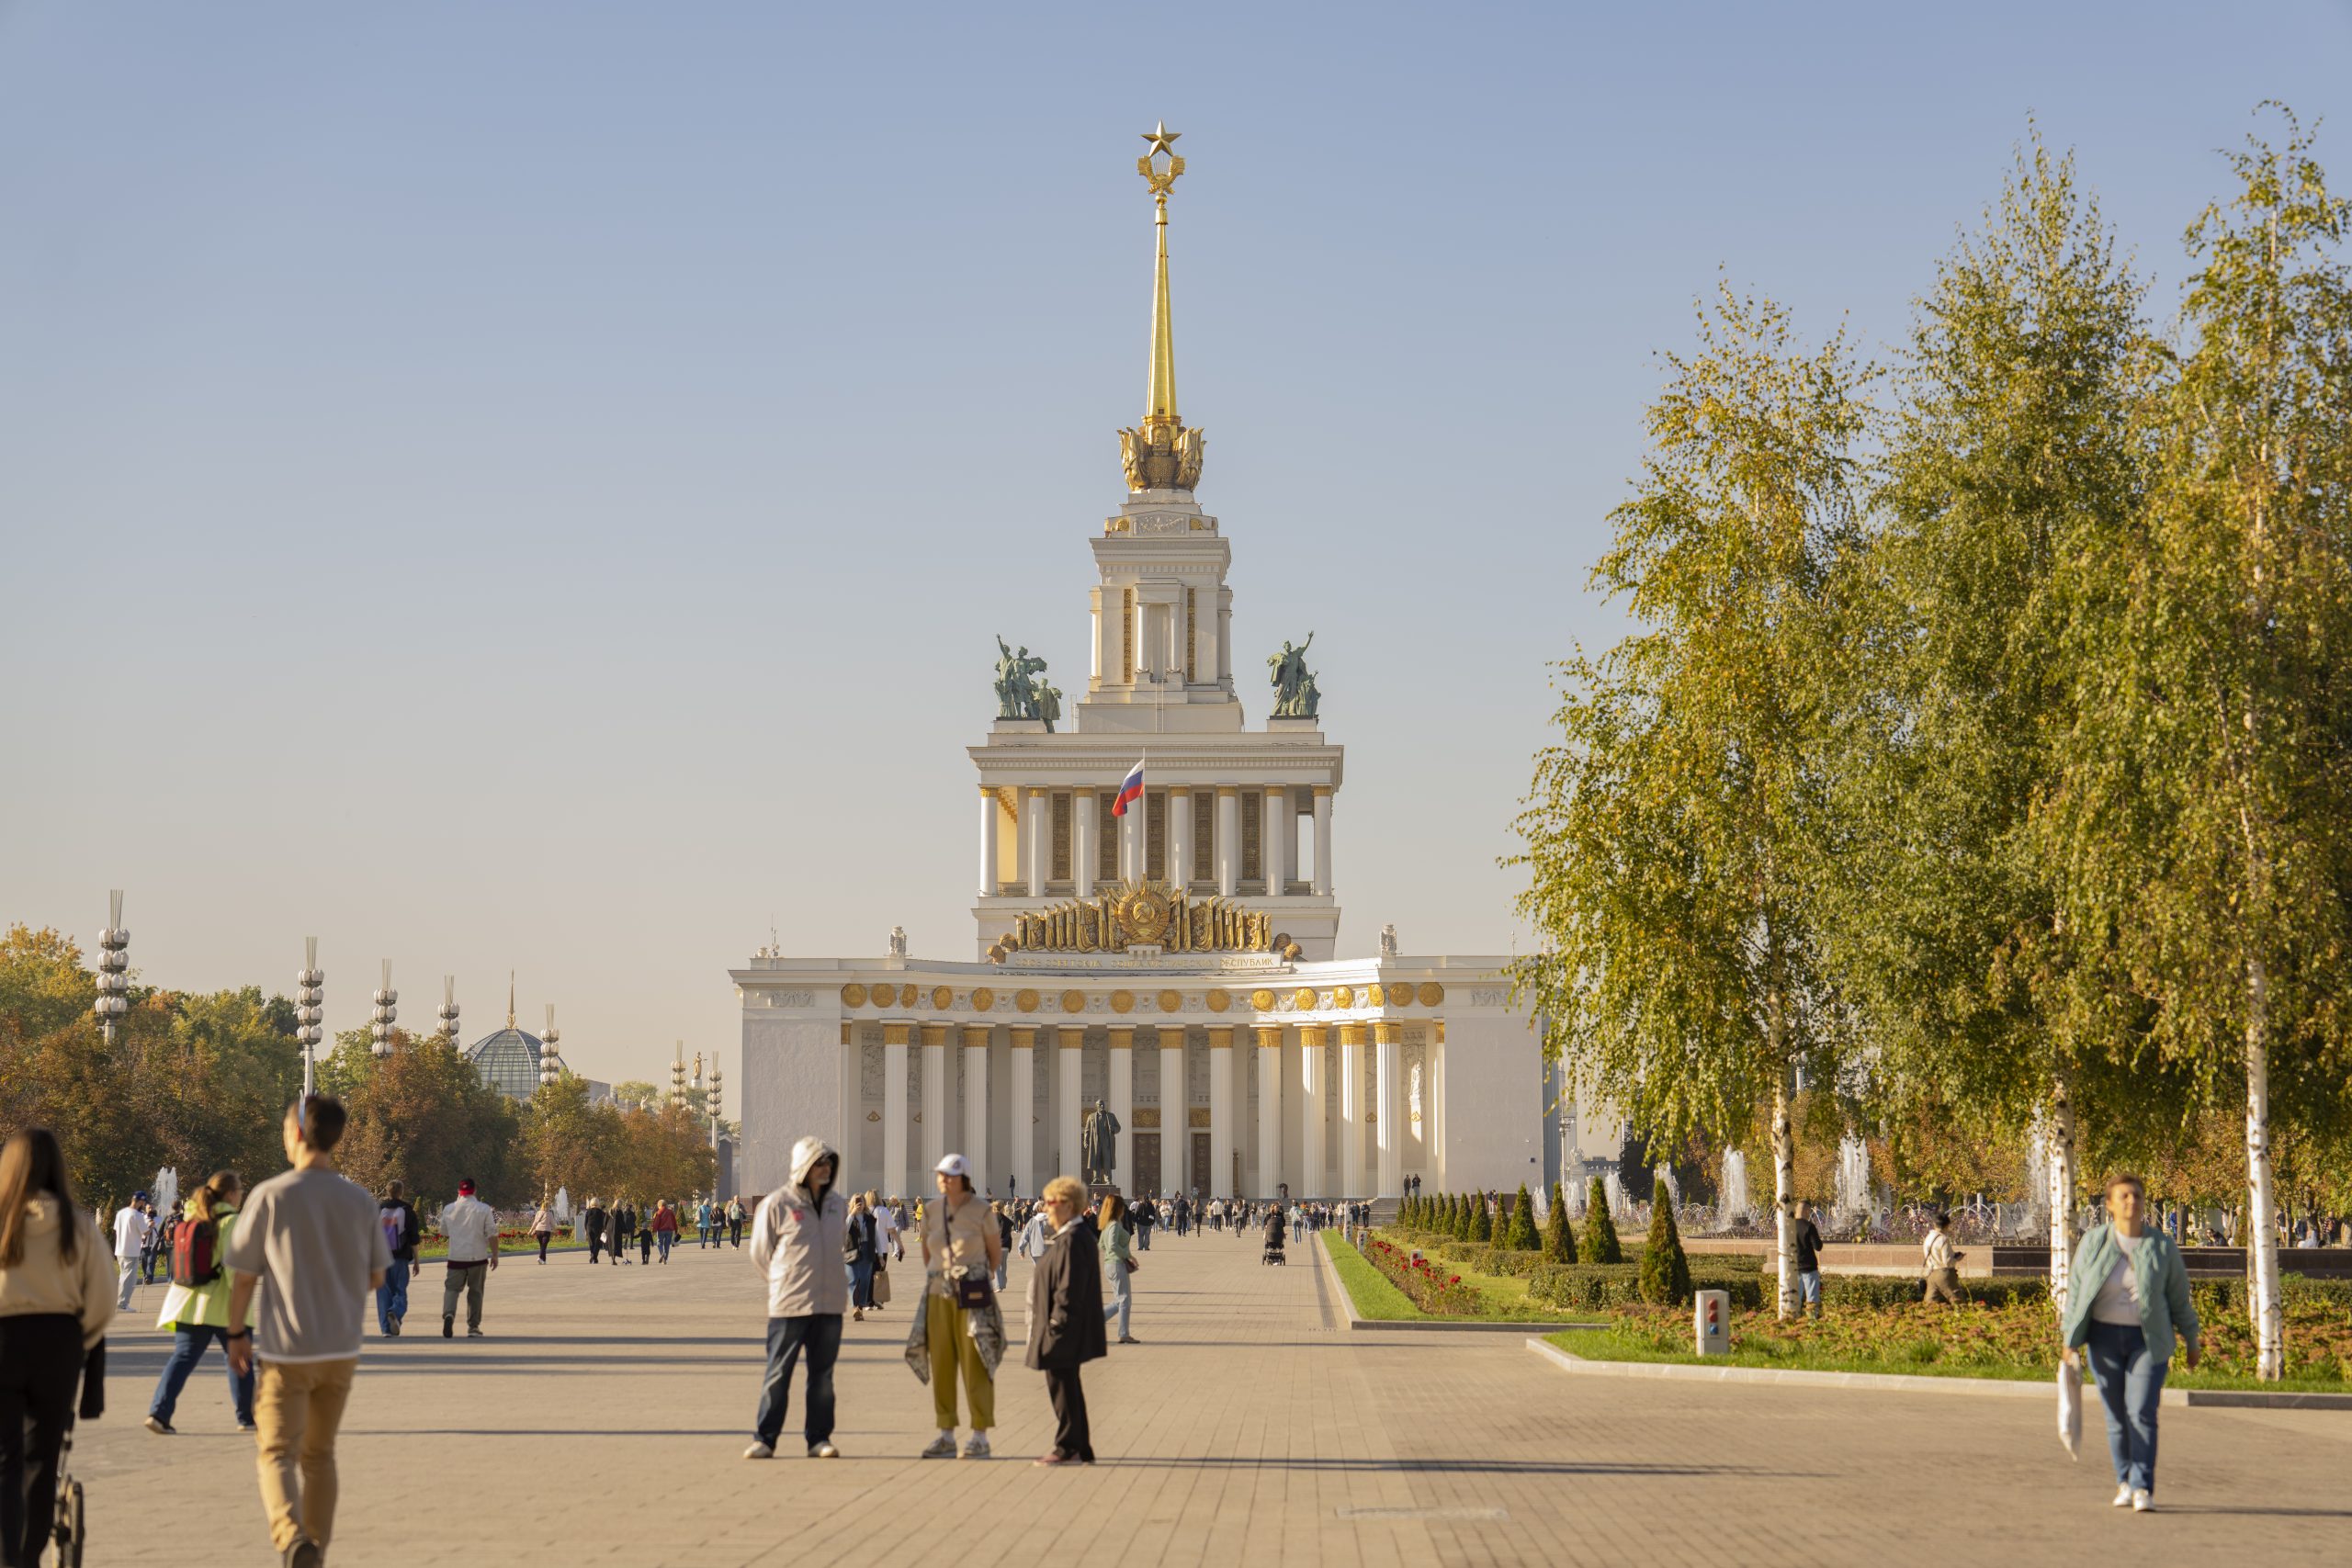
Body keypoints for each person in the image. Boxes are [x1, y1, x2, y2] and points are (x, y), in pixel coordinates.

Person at [224, 1094, 392, 1568]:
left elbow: (243, 1276)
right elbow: (377, 1276)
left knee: (276, 1450)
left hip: (287, 1351)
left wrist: (236, 1333)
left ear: (296, 1133)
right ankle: (315, 1548)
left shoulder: (271, 1195)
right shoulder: (359, 1199)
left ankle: (292, 1538)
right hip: (341, 1349)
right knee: (320, 1455)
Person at [0, 1129, 115, 1568]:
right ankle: (29, 1556)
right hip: (57, 1344)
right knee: (42, 1459)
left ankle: (8, 1556)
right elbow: (102, 1296)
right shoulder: (77, 1225)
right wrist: (79, 1340)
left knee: (5, 1461)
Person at [2061, 1173, 2199, 1513]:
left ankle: (2141, 1487)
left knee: (2141, 1412)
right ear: (2109, 1204)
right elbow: (2076, 1292)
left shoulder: (2161, 1246)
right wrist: (2070, 1340)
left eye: (2136, 1195)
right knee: (2116, 1417)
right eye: (2123, 1196)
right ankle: (2124, 1481)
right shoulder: (2094, 1242)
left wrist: (2191, 1338)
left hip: (2147, 1341)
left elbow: (2179, 1297)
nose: (2131, 1201)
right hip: (2103, 1338)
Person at [743, 1138, 848, 1460]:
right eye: (819, 1163)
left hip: (829, 1306)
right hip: (789, 1305)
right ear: (803, 1166)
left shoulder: (837, 1205)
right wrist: (782, 1283)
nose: (826, 1169)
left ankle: (819, 1439)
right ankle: (765, 1439)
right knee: (778, 1374)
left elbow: (838, 1245)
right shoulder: (778, 1204)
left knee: (822, 1379)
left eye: (829, 1163)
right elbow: (760, 1253)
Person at [146, 1169, 256, 1435]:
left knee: (182, 1358)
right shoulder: (232, 1222)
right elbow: (235, 1272)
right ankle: (246, 1418)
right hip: (223, 1306)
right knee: (240, 1360)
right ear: (230, 1194)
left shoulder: (192, 1218)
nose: (241, 1196)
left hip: (187, 1302)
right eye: (240, 1191)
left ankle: (159, 1413)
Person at [917, 1155, 1003, 1459]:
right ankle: (946, 1434)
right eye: (941, 1175)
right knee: (941, 1363)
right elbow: (927, 1252)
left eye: (950, 1176)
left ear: (963, 1179)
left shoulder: (981, 1210)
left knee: (975, 1361)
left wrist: (975, 1275)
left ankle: (980, 1435)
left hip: (973, 1296)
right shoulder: (931, 1210)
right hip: (938, 1295)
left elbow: (995, 1254)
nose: (943, 1180)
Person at [1025, 1175, 1105, 1466]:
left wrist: (1056, 1326)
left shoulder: (1073, 1240)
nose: (1046, 1208)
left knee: (1063, 1388)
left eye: (1051, 1202)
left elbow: (1069, 1290)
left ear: (1069, 1206)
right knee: (1068, 1386)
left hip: (1063, 1329)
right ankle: (1080, 1447)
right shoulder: (1072, 1236)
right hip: (1065, 1327)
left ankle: (1067, 1447)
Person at [438, 1178, 500, 1339]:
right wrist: (495, 1255)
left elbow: (443, 1231)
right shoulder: (483, 1209)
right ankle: (473, 1326)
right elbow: (492, 1233)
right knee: (475, 1292)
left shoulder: (449, 1208)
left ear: (459, 1191)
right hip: (477, 1257)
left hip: (456, 1257)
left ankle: (449, 1314)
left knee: (452, 1289)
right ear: (475, 1190)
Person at [375, 1181, 420, 1337]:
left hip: (381, 1258)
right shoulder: (407, 1210)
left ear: (388, 1192)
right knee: (400, 1291)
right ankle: (395, 1311)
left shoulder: (379, 1209)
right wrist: (417, 1261)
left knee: (383, 1294)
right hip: (400, 1258)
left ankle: (386, 1329)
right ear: (401, 1192)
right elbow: (414, 1239)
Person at [112, 1190, 152, 1310]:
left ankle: (121, 1301)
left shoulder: (121, 1213)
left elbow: (116, 1229)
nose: (144, 1204)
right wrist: (151, 1226)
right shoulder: (137, 1215)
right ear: (140, 1201)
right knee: (129, 1278)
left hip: (120, 1249)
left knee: (124, 1276)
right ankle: (122, 1303)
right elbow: (146, 1232)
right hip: (131, 1250)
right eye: (143, 1202)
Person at [844, 1193, 879, 1322]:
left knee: (864, 1281)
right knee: (853, 1280)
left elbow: (875, 1237)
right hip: (851, 1250)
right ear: (852, 1203)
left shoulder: (870, 1218)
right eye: (856, 1201)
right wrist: (852, 1213)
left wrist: (880, 1254)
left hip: (867, 1251)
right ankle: (855, 1308)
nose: (859, 1204)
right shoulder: (849, 1217)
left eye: (861, 1202)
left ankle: (860, 1308)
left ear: (865, 1203)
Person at [1791, 1201, 1824, 1319]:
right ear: (1806, 1211)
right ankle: (1811, 1322)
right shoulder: (1809, 1226)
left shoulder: (1788, 1226)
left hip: (1794, 1267)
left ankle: (1793, 1321)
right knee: (1812, 1298)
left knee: (1795, 1299)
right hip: (1809, 1267)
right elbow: (1818, 1247)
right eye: (1809, 1211)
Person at [1922, 1212, 1963, 1304]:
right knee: (1958, 1302)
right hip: (1944, 1274)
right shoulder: (1943, 1239)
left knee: (1930, 1304)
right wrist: (1958, 1258)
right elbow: (1947, 1262)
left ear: (1934, 1224)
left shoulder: (1928, 1238)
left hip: (1932, 1274)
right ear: (1947, 1225)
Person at [990, 1201, 1013, 1292]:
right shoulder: (1007, 1220)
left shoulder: (991, 1218)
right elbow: (1009, 1235)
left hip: (995, 1245)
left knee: (996, 1266)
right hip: (1006, 1245)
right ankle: (1003, 1284)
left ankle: (998, 1286)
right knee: (1003, 1265)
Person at [652, 1199, 679, 1263]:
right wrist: (676, 1230)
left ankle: (662, 1253)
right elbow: (674, 1222)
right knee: (667, 1245)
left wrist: (654, 1231)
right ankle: (665, 1259)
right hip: (670, 1231)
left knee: (659, 1243)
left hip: (661, 1230)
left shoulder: (659, 1212)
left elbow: (656, 1223)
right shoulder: (671, 1212)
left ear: (659, 1205)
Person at [582, 1198, 608, 1266]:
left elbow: (585, 1222)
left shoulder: (588, 1211)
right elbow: (603, 1221)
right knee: (597, 1243)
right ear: (598, 1203)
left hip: (589, 1228)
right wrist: (604, 1229)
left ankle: (593, 1256)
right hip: (597, 1229)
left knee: (591, 1243)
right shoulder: (600, 1212)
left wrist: (586, 1230)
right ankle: (594, 1257)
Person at [530, 1199, 555, 1264]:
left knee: (542, 1246)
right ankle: (540, 1257)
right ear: (548, 1206)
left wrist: (531, 1230)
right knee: (544, 1246)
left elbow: (535, 1222)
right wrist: (555, 1229)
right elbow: (553, 1224)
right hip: (546, 1232)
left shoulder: (538, 1212)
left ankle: (544, 1260)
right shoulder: (550, 1213)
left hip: (538, 1231)